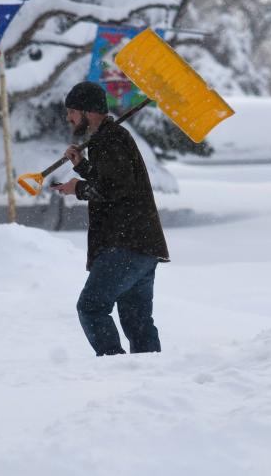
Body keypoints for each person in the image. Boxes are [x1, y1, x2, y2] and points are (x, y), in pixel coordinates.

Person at [52, 81, 169, 356]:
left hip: (124, 244)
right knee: (137, 321)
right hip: (142, 245)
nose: (69, 118)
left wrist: (77, 188)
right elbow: (113, 181)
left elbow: (115, 188)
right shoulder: (109, 138)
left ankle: (114, 367)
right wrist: (82, 166)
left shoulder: (109, 140)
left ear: (88, 111)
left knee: (91, 307)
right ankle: (150, 377)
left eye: (72, 111)